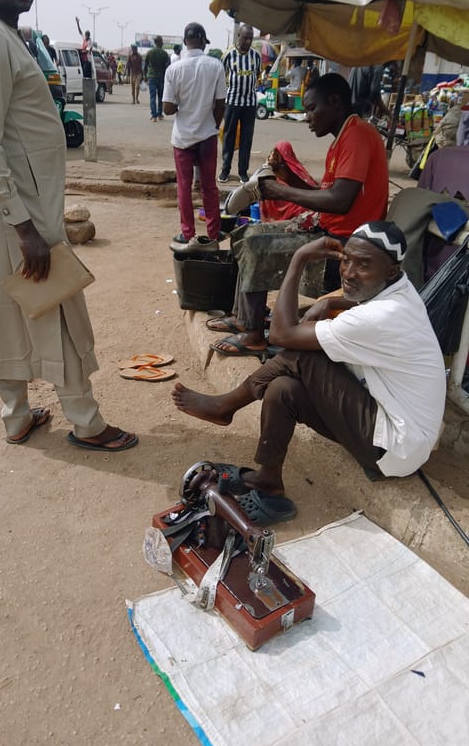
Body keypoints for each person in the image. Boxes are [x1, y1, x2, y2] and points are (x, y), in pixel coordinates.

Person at [0, 0, 137, 452]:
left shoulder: (1, 33)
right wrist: (25, 228)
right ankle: (86, 421)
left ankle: (16, 417)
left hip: (11, 200)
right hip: (18, 207)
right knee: (56, 306)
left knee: (7, 307)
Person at [172, 222, 446, 526]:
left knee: (304, 355)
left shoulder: (381, 317)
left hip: (395, 447)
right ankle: (268, 480)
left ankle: (227, 405)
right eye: (346, 260)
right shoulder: (400, 290)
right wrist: (329, 302)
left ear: (391, 271)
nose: (349, 272)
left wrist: (299, 258)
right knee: (283, 389)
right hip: (391, 423)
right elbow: (360, 297)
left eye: (364, 265)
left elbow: (281, 334)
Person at [210, 73, 389, 357]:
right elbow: (328, 193)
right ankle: (243, 317)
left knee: (257, 244)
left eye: (311, 108)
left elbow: (340, 201)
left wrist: (278, 191)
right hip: (331, 229)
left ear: (334, 101)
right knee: (245, 233)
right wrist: (287, 180)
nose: (307, 117)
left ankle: (254, 333)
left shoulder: (356, 135)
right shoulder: (344, 137)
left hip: (342, 241)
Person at [163, 22, 226, 253]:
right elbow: (221, 104)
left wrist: (183, 104)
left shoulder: (174, 70)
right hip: (207, 135)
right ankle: (213, 232)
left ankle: (187, 233)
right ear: (202, 40)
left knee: (184, 187)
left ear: (185, 41)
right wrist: (213, 124)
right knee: (209, 187)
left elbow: (167, 108)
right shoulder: (215, 66)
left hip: (183, 138)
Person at [219, 25, 262, 183]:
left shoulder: (255, 56)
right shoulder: (228, 55)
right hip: (232, 102)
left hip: (250, 104)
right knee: (229, 136)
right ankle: (225, 170)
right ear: (238, 36)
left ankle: (243, 171)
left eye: (250, 38)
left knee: (246, 138)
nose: (248, 41)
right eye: (245, 38)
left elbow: (257, 74)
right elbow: (221, 76)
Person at [143, 35, 170, 123]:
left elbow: (145, 65)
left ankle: (153, 115)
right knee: (161, 97)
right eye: (162, 41)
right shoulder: (164, 53)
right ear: (159, 42)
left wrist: (145, 76)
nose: (162, 43)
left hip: (152, 77)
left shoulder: (149, 52)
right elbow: (168, 66)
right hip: (161, 78)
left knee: (152, 97)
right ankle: (159, 114)